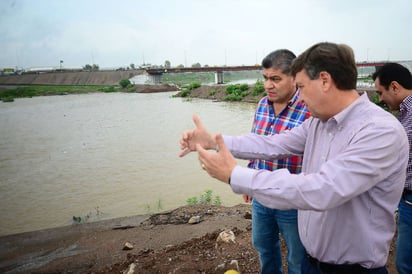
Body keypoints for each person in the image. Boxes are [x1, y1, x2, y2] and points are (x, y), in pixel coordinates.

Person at [179, 42, 409, 274]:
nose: (299, 96)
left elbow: (323, 189)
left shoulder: (380, 131)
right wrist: (214, 142)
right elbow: (272, 144)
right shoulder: (319, 123)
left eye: (301, 86)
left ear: (325, 80)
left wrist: (235, 175)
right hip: (313, 262)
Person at [245, 49, 310, 274]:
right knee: (264, 248)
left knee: (298, 257)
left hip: (293, 200)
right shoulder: (263, 104)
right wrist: (249, 177)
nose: (268, 85)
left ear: (294, 78)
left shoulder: (308, 108)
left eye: (275, 79)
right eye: (265, 78)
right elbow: (255, 143)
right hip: (262, 196)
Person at [372, 63, 412, 274]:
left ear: (395, 87)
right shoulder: (405, 113)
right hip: (406, 199)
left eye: (380, 92)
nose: (379, 99)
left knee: (405, 265)